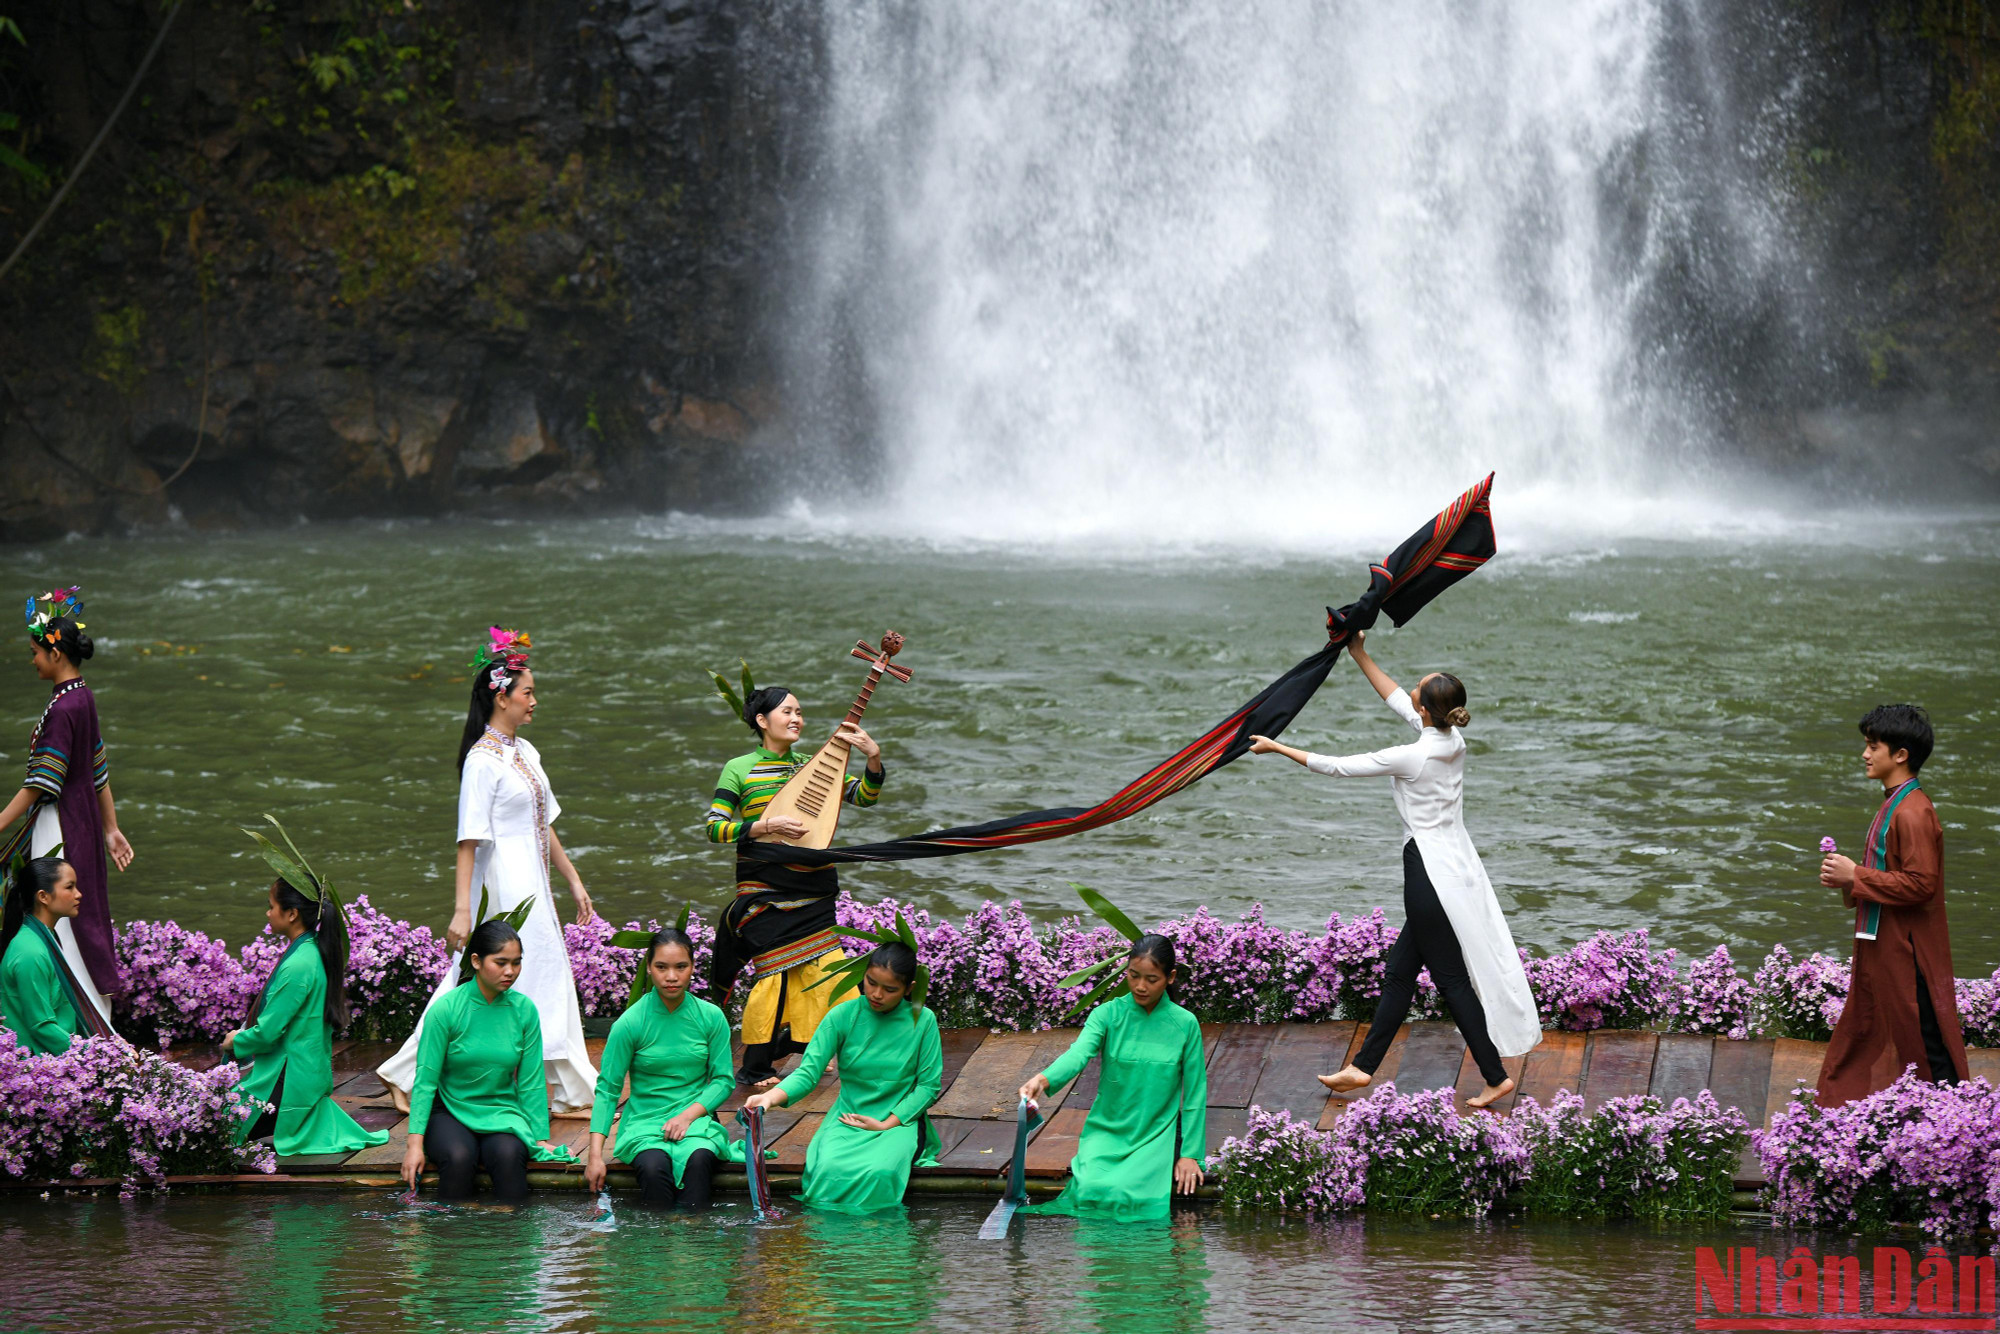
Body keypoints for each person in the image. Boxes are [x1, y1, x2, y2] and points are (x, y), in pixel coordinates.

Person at [1248, 629, 1539, 1108]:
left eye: (1417, 692)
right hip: (1459, 864)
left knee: (1449, 979)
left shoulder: (1412, 756)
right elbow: (1396, 696)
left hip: (1428, 870)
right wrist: (1359, 652)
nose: (1411, 694)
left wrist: (1278, 749)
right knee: (1402, 971)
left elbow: (1338, 767)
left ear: (1425, 711)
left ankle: (1494, 1073)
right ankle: (1362, 1069)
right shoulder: (1452, 738)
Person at [379, 627, 597, 1113]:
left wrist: (574, 880)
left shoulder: (525, 752)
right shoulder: (481, 761)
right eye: (528, 692)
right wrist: (462, 910)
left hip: (534, 879)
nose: (534, 700)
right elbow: (468, 840)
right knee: (478, 976)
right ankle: (407, 1073)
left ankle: (558, 1083)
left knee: (546, 972)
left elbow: (545, 825)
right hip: (501, 882)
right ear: (502, 697)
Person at [705, 683, 886, 1086]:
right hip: (762, 889)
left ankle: (832, 1050)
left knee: (829, 968)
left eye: (800, 712)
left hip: (814, 886)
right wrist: (764, 825)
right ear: (762, 720)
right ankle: (756, 1067)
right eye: (787, 712)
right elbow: (715, 828)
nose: (797, 719)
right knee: (774, 973)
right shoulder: (739, 767)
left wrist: (872, 757)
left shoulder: (810, 764)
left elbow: (864, 796)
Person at [1815, 704, 1968, 1107]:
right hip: (1883, 942)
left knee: (1923, 1037)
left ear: (1900, 754)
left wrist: (1856, 876)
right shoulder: (1895, 802)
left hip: (1908, 949)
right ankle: (1862, 1119)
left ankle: (1957, 1128)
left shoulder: (1914, 811)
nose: (1865, 754)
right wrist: (1847, 879)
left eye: (1872, 746)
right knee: (1873, 1025)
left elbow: (1921, 884)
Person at [0, 587, 134, 1027]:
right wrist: (110, 828)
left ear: (56, 654)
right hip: (83, 823)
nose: (32, 659)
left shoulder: (63, 707)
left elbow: (42, 783)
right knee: (85, 909)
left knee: (56, 912)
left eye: (35, 651)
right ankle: (97, 1017)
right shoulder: (82, 696)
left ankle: (77, 1024)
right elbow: (97, 769)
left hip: (59, 827)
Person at [1018, 935, 1207, 1221]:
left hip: (1156, 1131)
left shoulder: (1185, 1024)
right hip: (1108, 1128)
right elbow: (1078, 1053)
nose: (1141, 986)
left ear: (1170, 978)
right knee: (1091, 1189)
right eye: (1133, 976)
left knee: (1130, 1193)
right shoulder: (1107, 1014)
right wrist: (1042, 1080)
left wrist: (1190, 1154)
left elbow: (1195, 1093)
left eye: (1151, 979)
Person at [742, 941, 941, 1213]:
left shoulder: (924, 1020)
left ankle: (878, 1249)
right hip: (848, 1117)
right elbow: (808, 1072)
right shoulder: (842, 1015)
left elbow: (928, 1087)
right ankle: (834, 1253)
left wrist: (886, 1124)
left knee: (878, 1172)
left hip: (897, 1121)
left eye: (890, 989)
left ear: (909, 989)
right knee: (827, 1169)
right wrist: (768, 1099)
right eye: (871, 983)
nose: (877, 994)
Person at [221, 878, 389, 1156]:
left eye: (271, 906)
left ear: (292, 914)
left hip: (288, 1085)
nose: (268, 913)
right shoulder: (310, 951)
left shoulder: (299, 963)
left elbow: (266, 1034)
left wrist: (234, 1042)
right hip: (303, 1076)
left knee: (213, 1129)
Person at [399, 919, 558, 1203]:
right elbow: (425, 1080)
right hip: (448, 1110)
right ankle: (451, 1241)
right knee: (459, 1157)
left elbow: (531, 1080)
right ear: (476, 961)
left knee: (510, 1155)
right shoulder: (446, 1010)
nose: (510, 972)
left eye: (516, 963)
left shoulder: (524, 1010)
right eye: (501, 962)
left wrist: (539, 1136)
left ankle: (516, 1242)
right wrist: (414, 1145)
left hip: (500, 1110)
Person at [583, 928, 738, 1210]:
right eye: (661, 967)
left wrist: (687, 1117)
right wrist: (595, 1155)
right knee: (653, 1168)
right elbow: (607, 1090)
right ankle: (659, 1248)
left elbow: (723, 1080)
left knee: (700, 1160)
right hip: (644, 1123)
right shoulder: (630, 1023)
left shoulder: (711, 1017)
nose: (671, 976)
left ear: (692, 967)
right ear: (649, 969)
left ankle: (695, 1246)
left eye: (681, 967)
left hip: (695, 1122)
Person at [0, 856, 91, 1053]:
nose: (79, 894)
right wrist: (96, 1054)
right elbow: (40, 1026)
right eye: (69, 887)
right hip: (35, 1068)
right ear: (43, 896)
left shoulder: (42, 937)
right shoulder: (30, 952)